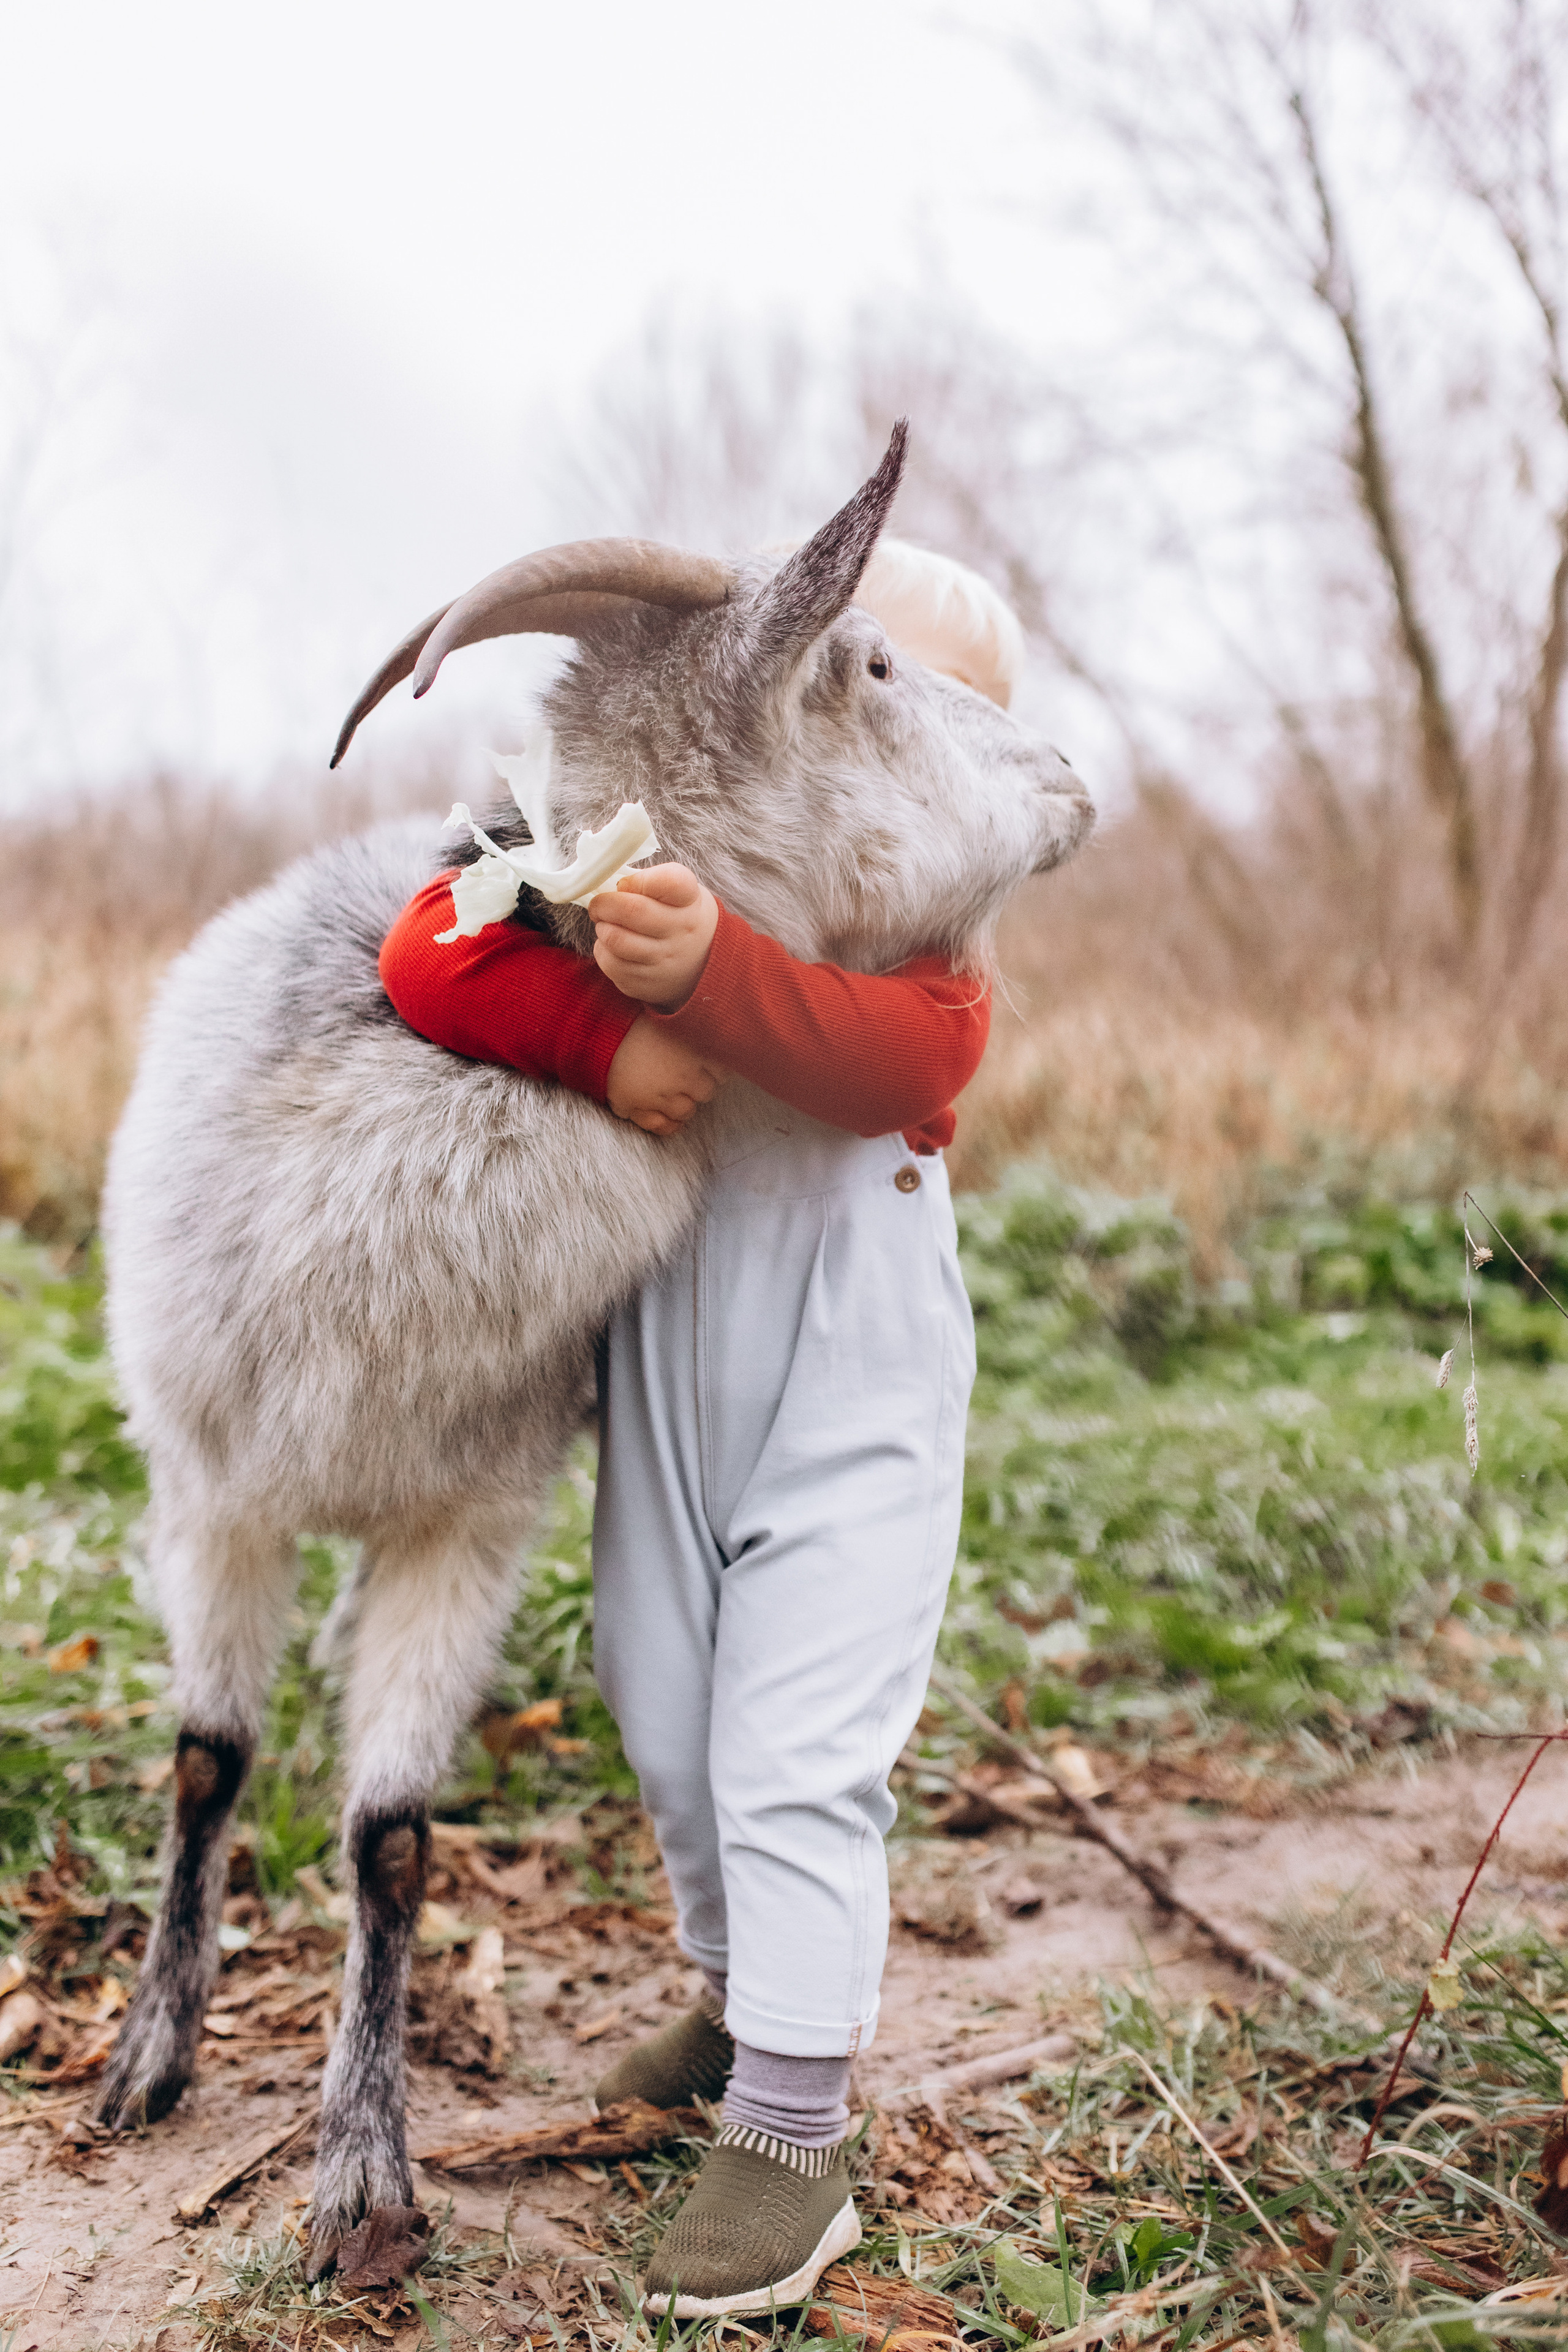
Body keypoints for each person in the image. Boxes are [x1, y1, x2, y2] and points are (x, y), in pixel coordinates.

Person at [378, 562, 1013, 2319]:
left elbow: (902, 1066)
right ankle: (741, 2004)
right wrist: (595, 1029)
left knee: (798, 1739)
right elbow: (427, 946)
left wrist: (715, 977)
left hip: (858, 1364)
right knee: (666, 1696)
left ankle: (798, 2137)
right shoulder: (640, 837)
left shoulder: (926, 928)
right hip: (671, 1346)